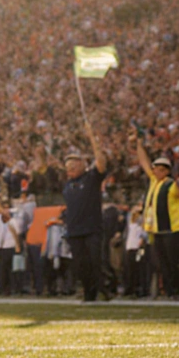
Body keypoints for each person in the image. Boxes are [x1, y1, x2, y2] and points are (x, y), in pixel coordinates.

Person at [129, 131, 179, 300]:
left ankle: (177, 291)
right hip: (157, 230)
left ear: (166, 171)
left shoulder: (171, 185)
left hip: (172, 229)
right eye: (155, 169)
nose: (156, 172)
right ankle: (169, 291)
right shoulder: (155, 181)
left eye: (160, 170)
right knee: (163, 264)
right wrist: (139, 146)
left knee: (173, 262)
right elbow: (144, 162)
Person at [60, 123, 107, 302]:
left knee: (96, 261)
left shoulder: (91, 178)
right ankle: (89, 293)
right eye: (68, 166)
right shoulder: (67, 185)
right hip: (74, 230)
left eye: (73, 165)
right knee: (80, 265)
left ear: (82, 165)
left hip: (92, 227)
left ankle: (104, 289)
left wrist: (92, 138)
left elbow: (101, 162)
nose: (70, 168)